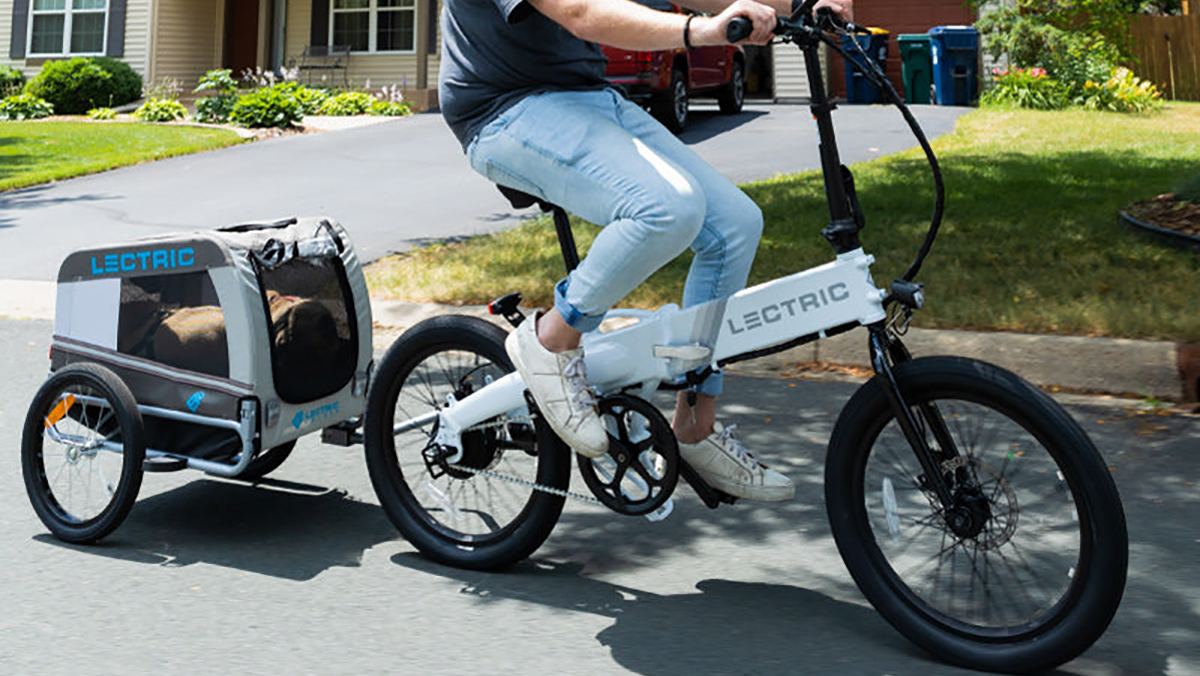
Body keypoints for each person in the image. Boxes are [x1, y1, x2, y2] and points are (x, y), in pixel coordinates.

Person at [439, 0, 853, 502]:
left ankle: (693, 428)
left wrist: (801, 3)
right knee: (667, 208)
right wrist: (705, 32)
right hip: (504, 110)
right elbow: (579, 11)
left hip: (586, 98)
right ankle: (551, 339)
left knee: (735, 225)